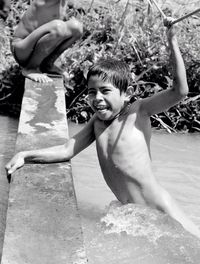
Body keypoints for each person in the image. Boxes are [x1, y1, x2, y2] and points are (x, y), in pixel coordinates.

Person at [5, 18, 200, 239]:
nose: (97, 98)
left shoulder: (137, 112)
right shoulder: (97, 123)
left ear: (126, 93)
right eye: (91, 91)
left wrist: (172, 40)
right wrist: (25, 155)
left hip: (161, 211)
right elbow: (67, 150)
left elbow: (180, 91)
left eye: (105, 91)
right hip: (132, 215)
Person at [10, 0, 83, 83]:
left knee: (77, 27)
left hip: (36, 48)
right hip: (21, 48)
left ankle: (48, 63)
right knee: (58, 27)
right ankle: (31, 68)